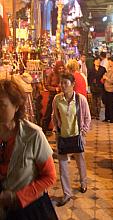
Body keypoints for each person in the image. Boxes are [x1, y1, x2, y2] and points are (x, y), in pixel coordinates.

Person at [0, 79, 57, 219]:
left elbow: (49, 177)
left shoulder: (33, 135)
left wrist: (17, 197)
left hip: (29, 210)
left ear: (16, 106)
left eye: (1, 105)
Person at [52, 73, 91, 207]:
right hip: (63, 137)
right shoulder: (57, 99)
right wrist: (56, 131)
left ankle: (83, 182)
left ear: (73, 84)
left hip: (77, 136)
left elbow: (87, 118)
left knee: (80, 161)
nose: (62, 86)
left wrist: (83, 132)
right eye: (61, 83)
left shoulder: (81, 100)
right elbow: (55, 116)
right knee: (63, 166)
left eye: (65, 83)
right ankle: (67, 193)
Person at [42, 60, 65, 132]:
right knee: (48, 113)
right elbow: (47, 85)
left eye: (62, 68)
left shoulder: (64, 74)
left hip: (62, 96)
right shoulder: (52, 74)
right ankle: (44, 130)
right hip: (53, 96)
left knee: (62, 114)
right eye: (59, 68)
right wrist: (55, 89)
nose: (61, 70)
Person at [102, 56, 113, 123]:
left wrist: (106, 78)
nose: (108, 62)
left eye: (110, 61)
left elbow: (112, 80)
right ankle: (107, 117)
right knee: (107, 103)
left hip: (111, 89)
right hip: (106, 88)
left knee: (111, 103)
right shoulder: (110, 68)